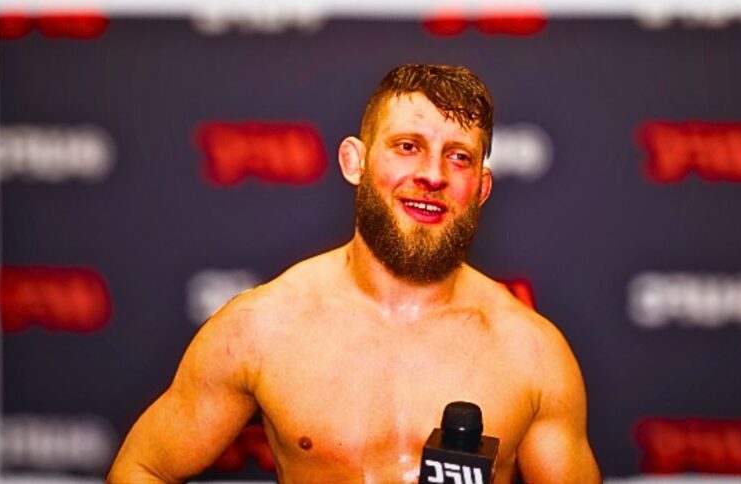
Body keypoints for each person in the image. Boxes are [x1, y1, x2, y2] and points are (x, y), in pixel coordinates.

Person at [108, 64, 600, 483]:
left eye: (459, 157)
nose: (433, 175)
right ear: (354, 163)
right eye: (407, 146)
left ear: (482, 188)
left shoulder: (532, 353)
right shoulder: (262, 327)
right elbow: (143, 469)